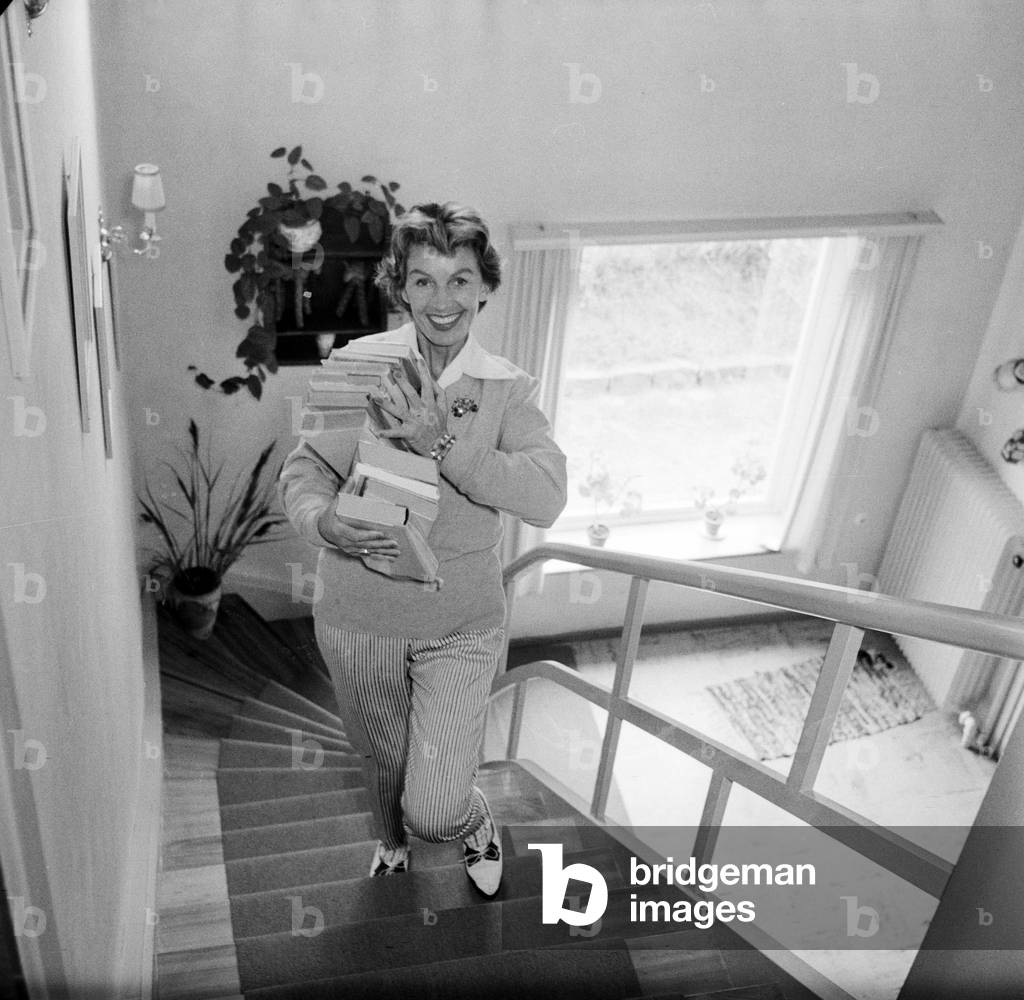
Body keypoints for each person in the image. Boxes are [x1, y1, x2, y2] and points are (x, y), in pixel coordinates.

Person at [278, 202, 567, 896]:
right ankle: (390, 841)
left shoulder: (507, 390)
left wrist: (444, 442)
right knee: (382, 756)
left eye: (460, 280)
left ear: (484, 287)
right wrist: (324, 522)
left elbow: (546, 496)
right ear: (400, 287)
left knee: (434, 804)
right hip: (359, 616)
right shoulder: (359, 367)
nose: (443, 301)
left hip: (461, 620)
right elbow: (305, 472)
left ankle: (466, 820)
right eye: (424, 280)